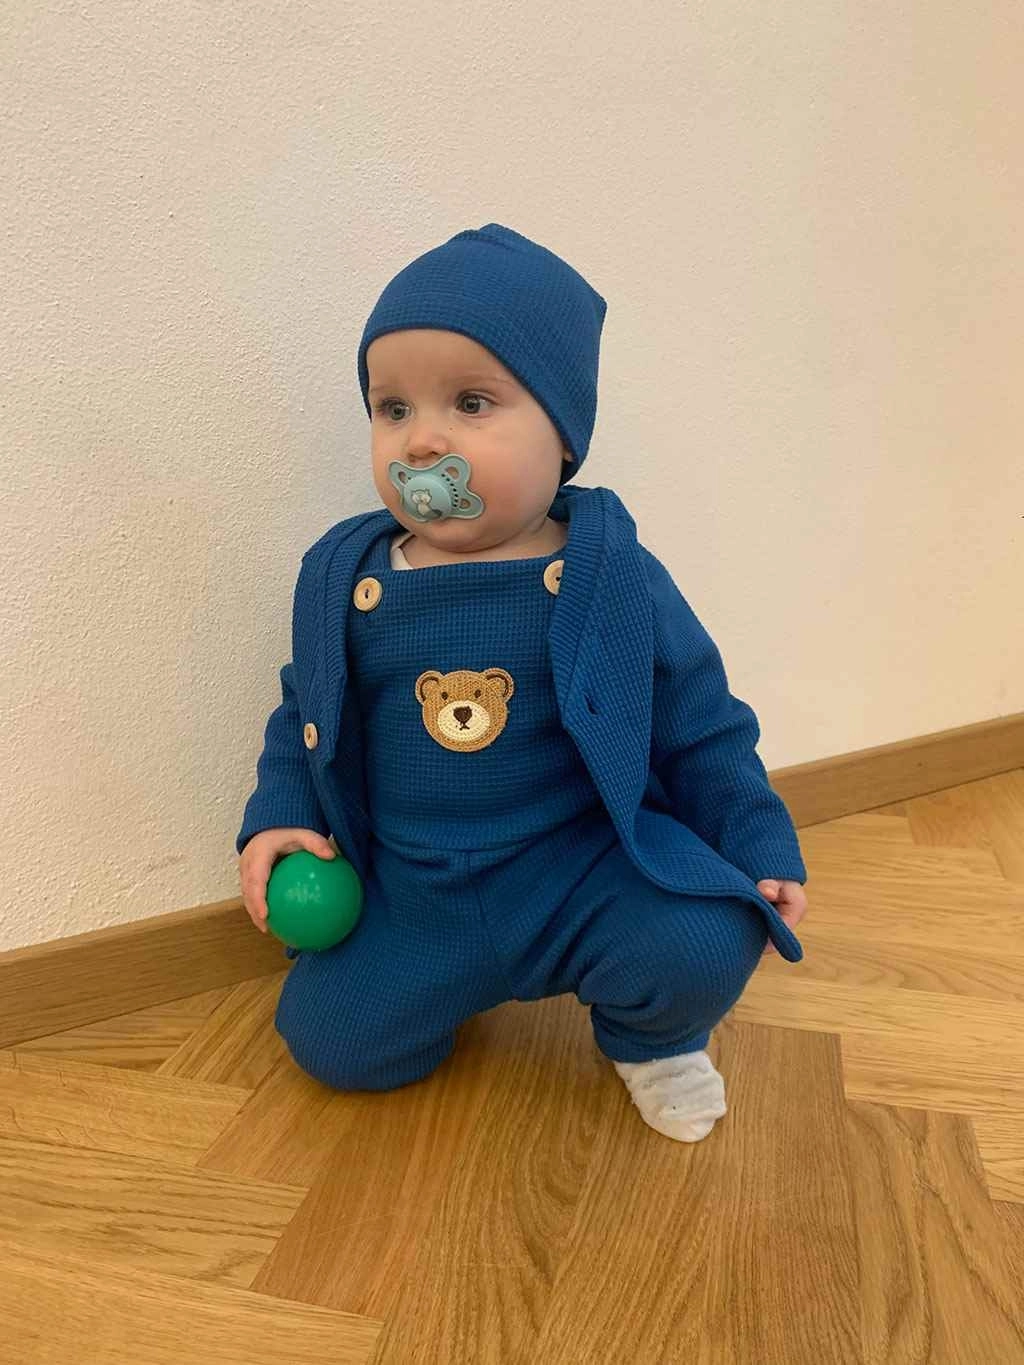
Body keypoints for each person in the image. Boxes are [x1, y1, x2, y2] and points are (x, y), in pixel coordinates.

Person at [236, 223, 808, 1143]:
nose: (423, 441)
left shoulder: (610, 572)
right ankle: (440, 991)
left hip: (578, 870)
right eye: (392, 408)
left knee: (709, 938)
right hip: (415, 891)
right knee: (329, 1040)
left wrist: (756, 838)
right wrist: (278, 815)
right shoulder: (347, 578)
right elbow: (306, 711)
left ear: (565, 437)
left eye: (471, 402)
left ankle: (649, 1041)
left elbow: (701, 720)